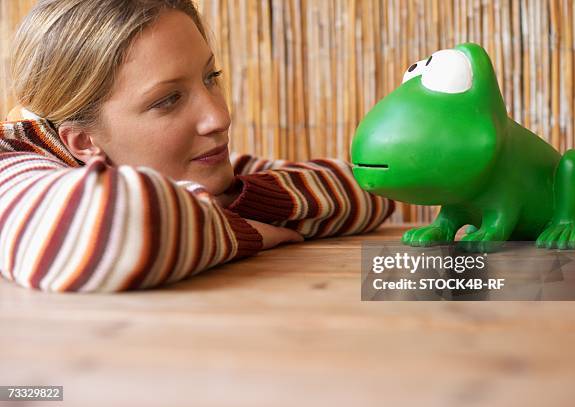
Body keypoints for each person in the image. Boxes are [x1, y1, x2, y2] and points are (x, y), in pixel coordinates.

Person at [0, 0, 394, 293]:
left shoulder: (171, 168)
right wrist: (244, 231)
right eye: (167, 99)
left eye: (211, 77)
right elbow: (98, 231)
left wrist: (225, 203)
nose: (218, 117)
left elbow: (375, 187)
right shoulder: (10, 163)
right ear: (83, 142)